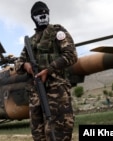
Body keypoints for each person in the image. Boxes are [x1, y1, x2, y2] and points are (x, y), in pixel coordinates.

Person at [15, 1, 78, 140]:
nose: (43, 15)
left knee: (59, 133)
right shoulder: (30, 42)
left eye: (45, 12)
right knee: (38, 135)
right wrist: (25, 65)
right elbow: (18, 64)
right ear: (33, 17)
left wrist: (49, 70)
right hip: (36, 94)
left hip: (56, 91)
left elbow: (71, 55)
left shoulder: (57, 32)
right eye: (39, 13)